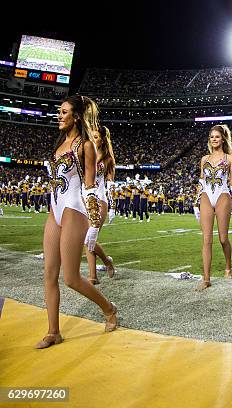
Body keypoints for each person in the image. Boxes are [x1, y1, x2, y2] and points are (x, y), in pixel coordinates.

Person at [37, 95, 118, 349]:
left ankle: (109, 308)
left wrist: (94, 223)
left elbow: (91, 187)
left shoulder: (86, 145)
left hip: (74, 209)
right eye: (59, 112)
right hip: (55, 209)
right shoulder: (60, 142)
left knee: (70, 278)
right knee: (49, 274)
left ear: (76, 116)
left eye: (64, 112)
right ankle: (53, 332)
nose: (59, 116)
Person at [193, 124, 232, 290]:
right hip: (206, 195)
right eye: (211, 137)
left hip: (223, 195)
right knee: (206, 239)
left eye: (217, 137)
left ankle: (228, 266)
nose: (214, 139)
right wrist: (195, 202)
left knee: (223, 238)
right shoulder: (204, 159)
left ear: (223, 139)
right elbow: (201, 181)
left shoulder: (230, 159)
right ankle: (206, 279)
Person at [85, 123, 117, 285]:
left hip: (100, 200)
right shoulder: (84, 154)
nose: (92, 139)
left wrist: (112, 206)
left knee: (90, 237)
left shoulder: (108, 159)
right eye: (91, 136)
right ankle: (93, 276)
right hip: (83, 199)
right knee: (86, 240)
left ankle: (106, 261)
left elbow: (111, 184)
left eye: (95, 137)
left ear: (103, 140)